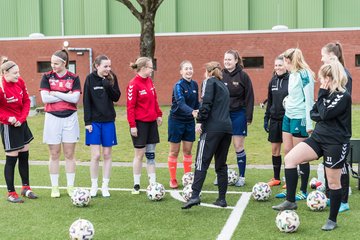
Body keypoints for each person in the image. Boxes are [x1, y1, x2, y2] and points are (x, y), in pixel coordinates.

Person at [272, 60, 351, 231]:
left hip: (335, 143)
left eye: (323, 78)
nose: (321, 81)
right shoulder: (327, 95)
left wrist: (321, 95)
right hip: (318, 137)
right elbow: (314, 114)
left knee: (333, 183)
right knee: (291, 158)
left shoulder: (343, 95)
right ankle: (291, 201)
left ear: (331, 77)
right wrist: (321, 107)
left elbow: (323, 112)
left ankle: (332, 219)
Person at [182, 61, 232, 209]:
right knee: (221, 165)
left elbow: (206, 103)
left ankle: (195, 195)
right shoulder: (223, 85)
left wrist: (199, 121)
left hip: (212, 128)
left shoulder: (209, 82)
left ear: (208, 72)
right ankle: (222, 199)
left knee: (201, 162)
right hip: (227, 129)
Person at [40, 49, 81, 198]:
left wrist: (55, 93)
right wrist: (65, 96)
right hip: (52, 118)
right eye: (51, 63)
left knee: (70, 154)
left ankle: (70, 186)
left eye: (56, 63)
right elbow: (45, 99)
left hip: (70, 118)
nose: (53, 66)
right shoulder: (46, 77)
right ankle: (55, 187)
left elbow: (75, 99)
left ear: (64, 63)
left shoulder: (74, 78)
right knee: (54, 153)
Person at [275, 48, 314, 201]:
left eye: (284, 60)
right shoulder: (292, 74)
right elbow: (293, 95)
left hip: (300, 118)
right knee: (288, 152)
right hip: (288, 116)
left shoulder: (305, 74)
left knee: (301, 156)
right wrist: (287, 102)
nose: (282, 64)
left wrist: (309, 123)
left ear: (288, 61)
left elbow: (309, 100)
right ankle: (290, 189)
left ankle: (303, 190)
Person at [83, 55, 121, 197]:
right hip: (94, 122)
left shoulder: (112, 78)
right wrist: (87, 122)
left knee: (106, 154)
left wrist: (108, 86)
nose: (108, 69)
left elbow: (116, 97)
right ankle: (94, 185)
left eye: (109, 66)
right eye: (105, 66)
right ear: (97, 66)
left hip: (108, 121)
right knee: (96, 155)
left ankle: (105, 185)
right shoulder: (90, 79)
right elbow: (86, 100)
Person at [0, 60, 37, 203]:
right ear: (5, 73)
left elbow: (27, 101)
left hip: (21, 123)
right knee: (11, 159)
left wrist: (21, 119)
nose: (18, 75)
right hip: (9, 126)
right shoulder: (1, 87)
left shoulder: (20, 81)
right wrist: (9, 119)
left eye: (18, 72)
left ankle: (26, 188)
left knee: (24, 155)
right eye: (15, 73)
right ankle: (11, 193)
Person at [321, 42, 352, 212]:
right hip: (328, 128)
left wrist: (325, 111)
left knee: (341, 166)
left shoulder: (344, 75)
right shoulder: (329, 74)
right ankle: (330, 196)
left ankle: (343, 200)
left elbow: (340, 102)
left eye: (323, 55)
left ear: (332, 56)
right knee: (329, 165)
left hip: (339, 132)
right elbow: (323, 107)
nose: (321, 58)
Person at [126, 57, 162, 194]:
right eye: (150, 67)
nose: (152, 69)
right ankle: (136, 184)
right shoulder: (133, 84)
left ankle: (152, 184)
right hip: (139, 124)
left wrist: (158, 114)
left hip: (152, 123)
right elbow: (130, 107)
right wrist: (132, 125)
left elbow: (155, 100)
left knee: (151, 154)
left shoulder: (150, 81)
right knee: (139, 154)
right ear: (142, 68)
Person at [219, 49, 254, 187]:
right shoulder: (220, 75)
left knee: (238, 145)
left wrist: (248, 117)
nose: (227, 62)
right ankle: (220, 175)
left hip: (239, 114)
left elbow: (250, 97)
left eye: (230, 59)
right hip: (222, 115)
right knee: (221, 146)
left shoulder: (243, 76)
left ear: (235, 61)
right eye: (225, 59)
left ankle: (242, 176)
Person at [168, 60, 199, 189]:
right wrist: (192, 111)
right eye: (186, 69)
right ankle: (173, 179)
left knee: (188, 151)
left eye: (190, 68)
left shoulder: (195, 85)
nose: (189, 71)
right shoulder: (178, 86)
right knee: (174, 151)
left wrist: (202, 111)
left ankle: (187, 178)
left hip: (189, 122)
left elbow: (197, 103)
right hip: (176, 121)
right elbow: (180, 103)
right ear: (181, 71)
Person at [264, 55, 289, 187]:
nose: (278, 67)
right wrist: (266, 118)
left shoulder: (291, 79)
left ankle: (287, 179)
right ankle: (276, 178)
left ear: (286, 65)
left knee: (288, 150)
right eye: (276, 65)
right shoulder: (272, 81)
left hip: (287, 119)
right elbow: (270, 102)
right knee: (275, 150)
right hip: (274, 120)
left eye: (280, 65)